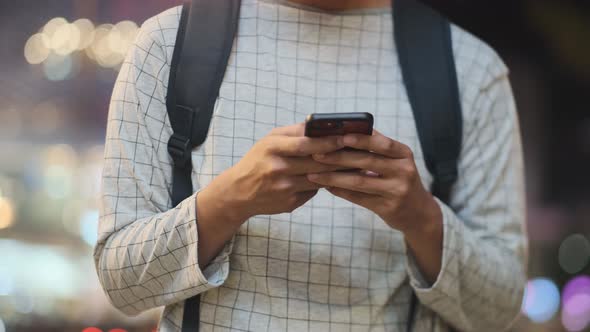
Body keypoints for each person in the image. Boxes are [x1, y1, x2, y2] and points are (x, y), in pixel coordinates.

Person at [93, 0, 528, 331]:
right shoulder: (170, 45)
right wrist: (228, 202)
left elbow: (501, 307)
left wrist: (422, 218)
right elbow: (121, 283)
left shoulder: (469, 70)